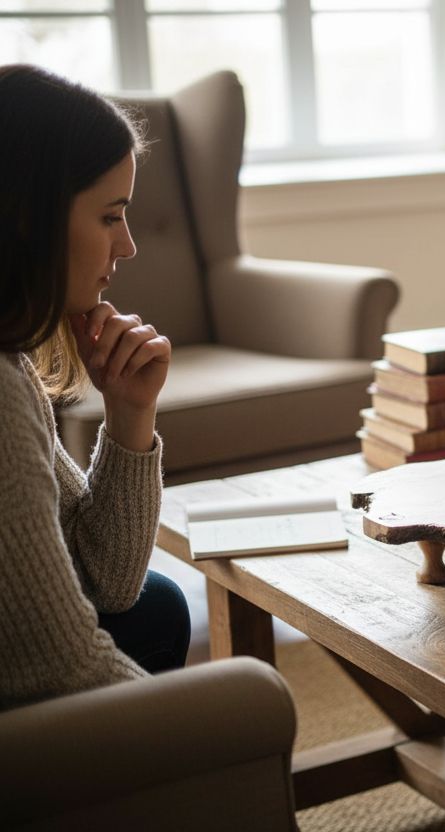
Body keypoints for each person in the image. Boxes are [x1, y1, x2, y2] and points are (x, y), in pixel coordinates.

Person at [1, 64, 188, 710]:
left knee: (158, 606)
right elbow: (64, 664)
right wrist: (217, 728)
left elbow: (109, 586)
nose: (129, 246)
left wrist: (131, 415)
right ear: (27, 217)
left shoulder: (12, 357)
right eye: (111, 217)